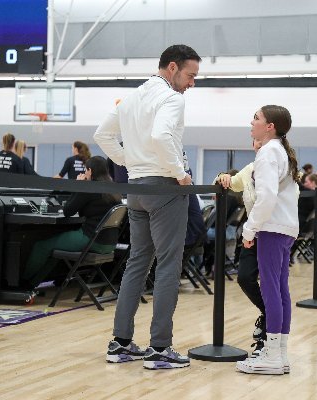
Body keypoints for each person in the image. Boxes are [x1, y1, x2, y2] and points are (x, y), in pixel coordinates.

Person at [94, 44, 201, 370]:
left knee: (137, 263)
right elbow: (161, 135)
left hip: (136, 188)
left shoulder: (131, 97)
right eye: (190, 75)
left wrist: (132, 163)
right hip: (165, 188)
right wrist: (180, 174)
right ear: (172, 67)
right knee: (168, 264)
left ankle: (121, 343)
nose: (191, 83)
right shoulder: (172, 98)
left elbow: (102, 135)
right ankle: (159, 348)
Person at [236, 105, 299, 376]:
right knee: (280, 290)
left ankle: (272, 355)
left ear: (270, 126)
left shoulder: (268, 153)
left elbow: (266, 198)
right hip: (284, 228)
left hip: (272, 228)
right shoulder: (280, 151)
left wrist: (249, 231)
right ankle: (279, 352)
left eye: (257, 118)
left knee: (272, 290)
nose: (252, 122)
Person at [22, 156, 121, 289]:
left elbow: (68, 210)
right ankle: (31, 285)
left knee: (41, 246)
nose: (85, 173)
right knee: (55, 251)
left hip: (91, 239)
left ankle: (21, 282)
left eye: (86, 170)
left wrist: (79, 185)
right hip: (109, 243)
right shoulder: (114, 190)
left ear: (90, 171)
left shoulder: (89, 188)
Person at [216, 139, 267, 356]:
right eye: (255, 142)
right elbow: (226, 183)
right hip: (252, 234)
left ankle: (269, 340)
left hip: (275, 234)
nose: (257, 144)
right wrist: (221, 177)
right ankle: (268, 313)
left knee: (272, 284)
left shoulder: (284, 166)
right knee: (244, 278)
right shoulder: (249, 170)